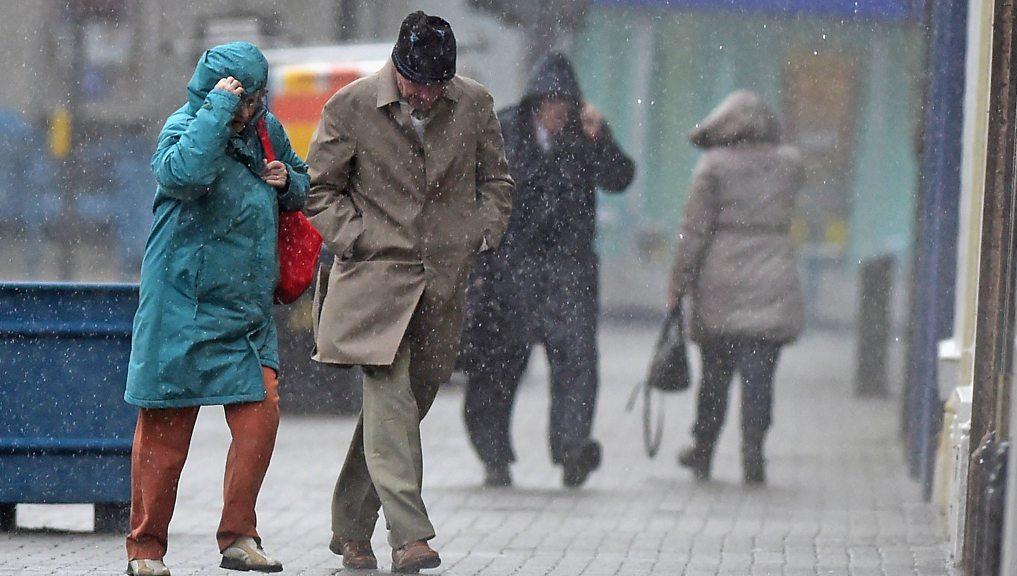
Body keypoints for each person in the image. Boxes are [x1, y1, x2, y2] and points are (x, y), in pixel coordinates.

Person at [303, 11, 513, 573]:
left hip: (444, 283)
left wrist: (482, 231)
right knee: (390, 398)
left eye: (436, 84)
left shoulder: (474, 104)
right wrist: (358, 236)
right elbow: (318, 190)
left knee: (400, 412)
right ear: (397, 67)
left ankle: (349, 528)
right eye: (416, 83)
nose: (425, 96)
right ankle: (409, 535)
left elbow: (496, 180)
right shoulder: (348, 107)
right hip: (374, 282)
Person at [122, 42, 309, 576]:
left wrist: (289, 182)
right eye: (244, 101)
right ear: (218, 94)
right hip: (180, 310)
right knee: (163, 439)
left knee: (260, 420)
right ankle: (146, 549)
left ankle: (239, 537)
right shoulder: (185, 126)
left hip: (245, 316)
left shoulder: (267, 131)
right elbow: (182, 175)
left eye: (255, 100)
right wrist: (217, 112)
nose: (253, 111)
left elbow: (303, 180)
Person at [461, 53, 635, 489]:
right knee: (497, 369)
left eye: (566, 104)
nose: (559, 113)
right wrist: (477, 262)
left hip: (568, 271)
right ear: (536, 102)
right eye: (551, 103)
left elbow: (620, 177)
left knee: (576, 363)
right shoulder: (503, 131)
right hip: (509, 268)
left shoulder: (585, 134)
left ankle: (573, 449)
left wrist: (601, 137)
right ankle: (494, 455)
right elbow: (471, 195)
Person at [668, 90, 805, 485]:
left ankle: (704, 450)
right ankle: (753, 453)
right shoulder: (789, 165)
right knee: (760, 378)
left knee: (715, 375)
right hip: (772, 275)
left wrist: (678, 283)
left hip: (721, 279)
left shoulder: (713, 167)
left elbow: (693, 231)